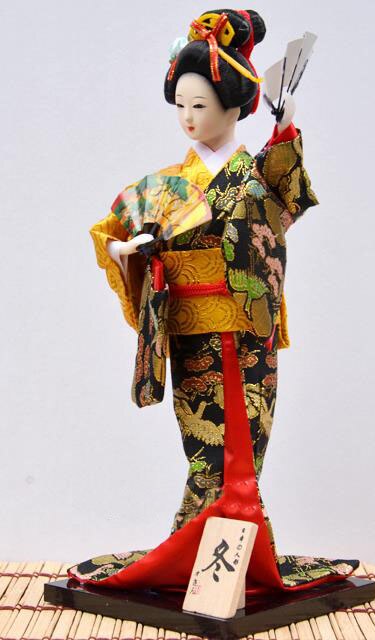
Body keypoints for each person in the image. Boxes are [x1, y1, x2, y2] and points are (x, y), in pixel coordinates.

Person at [68, 9, 359, 595]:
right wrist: (129, 250)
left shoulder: (256, 177)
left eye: (199, 105)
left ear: (234, 106)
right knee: (204, 448)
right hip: (190, 327)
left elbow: (289, 195)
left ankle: (223, 558)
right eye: (180, 105)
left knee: (246, 449)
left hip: (249, 326)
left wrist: (285, 129)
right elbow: (111, 232)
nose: (187, 117)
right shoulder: (168, 184)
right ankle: (206, 554)